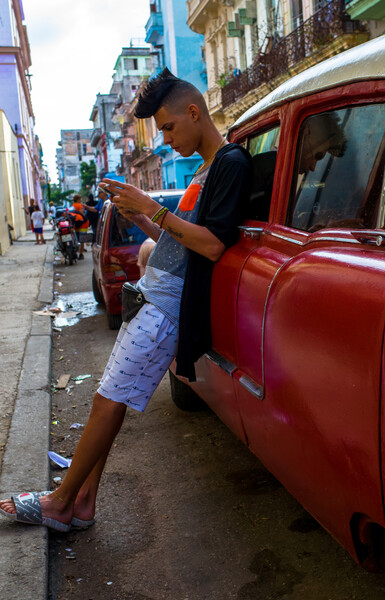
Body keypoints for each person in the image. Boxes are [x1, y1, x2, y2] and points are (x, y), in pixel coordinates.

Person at [0, 68, 252, 532]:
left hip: (166, 308)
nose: (167, 138)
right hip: (155, 296)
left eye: (170, 127)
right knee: (108, 402)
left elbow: (213, 245)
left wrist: (152, 206)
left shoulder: (231, 163)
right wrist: (141, 216)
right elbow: (182, 243)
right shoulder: (203, 168)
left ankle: (59, 503)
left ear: (194, 113)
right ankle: (82, 501)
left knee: (105, 402)